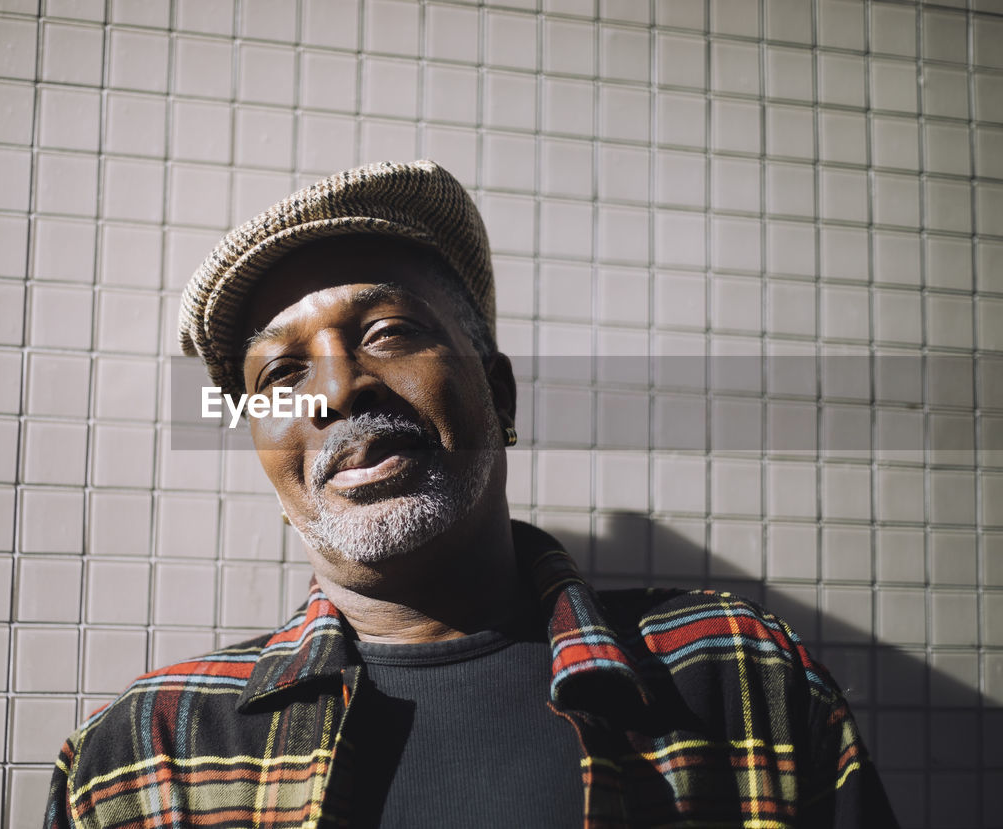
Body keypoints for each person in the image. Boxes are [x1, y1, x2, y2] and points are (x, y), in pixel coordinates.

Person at [45, 160, 897, 828]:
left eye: (388, 332)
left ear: (502, 394)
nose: (339, 389)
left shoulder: (738, 678)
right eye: (282, 370)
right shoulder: (145, 757)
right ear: (269, 461)